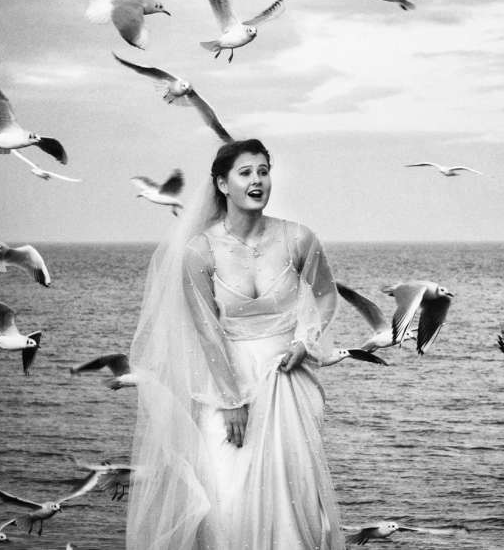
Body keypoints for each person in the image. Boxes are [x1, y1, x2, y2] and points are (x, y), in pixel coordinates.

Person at [126, 139, 345, 549]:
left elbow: (324, 295)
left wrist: (305, 340)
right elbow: (206, 329)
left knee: (294, 502)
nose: (257, 180)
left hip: (288, 383)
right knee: (228, 500)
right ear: (223, 184)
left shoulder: (299, 238)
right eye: (246, 173)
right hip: (227, 383)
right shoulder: (200, 251)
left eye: (263, 171)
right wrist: (231, 402)